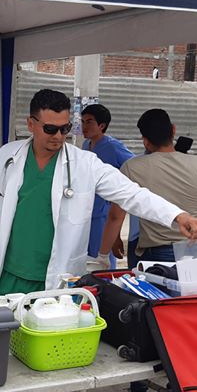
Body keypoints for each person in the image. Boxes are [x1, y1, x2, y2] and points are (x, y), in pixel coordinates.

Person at [0, 90, 197, 392]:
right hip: (9, 276)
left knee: (49, 361)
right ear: (31, 124)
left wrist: (177, 215)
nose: (58, 137)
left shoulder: (85, 164)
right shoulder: (9, 156)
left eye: (65, 129)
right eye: (50, 129)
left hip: (54, 282)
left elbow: (132, 194)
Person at [97, 108, 197, 392]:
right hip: (196, 254)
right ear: (173, 130)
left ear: (144, 140)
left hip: (153, 256)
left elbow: (116, 215)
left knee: (145, 323)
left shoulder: (133, 166)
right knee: (188, 324)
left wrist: (104, 252)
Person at [81, 104, 134, 269]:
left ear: (101, 125)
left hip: (105, 214)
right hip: (87, 210)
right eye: (82, 121)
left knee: (102, 259)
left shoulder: (113, 146)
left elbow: (134, 167)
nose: (84, 126)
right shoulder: (85, 145)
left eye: (89, 122)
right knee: (86, 259)